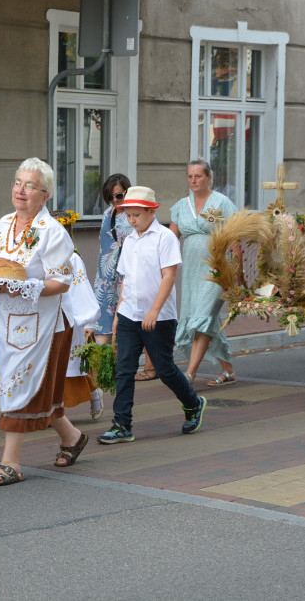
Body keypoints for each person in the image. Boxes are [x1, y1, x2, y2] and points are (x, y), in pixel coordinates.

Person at [0, 158, 88, 486]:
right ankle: (73, 437)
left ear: (45, 196)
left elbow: (62, 282)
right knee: (31, 388)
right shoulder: (3, 224)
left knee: (21, 386)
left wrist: (26, 287)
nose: (20, 190)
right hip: (9, 321)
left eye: (30, 186)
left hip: (46, 324)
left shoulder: (51, 231)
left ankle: (11, 463)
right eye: (17, 183)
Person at [97, 186, 207, 444]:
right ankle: (122, 424)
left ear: (150, 211)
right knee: (124, 369)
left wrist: (154, 311)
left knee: (164, 369)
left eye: (136, 215)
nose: (132, 220)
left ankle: (193, 403)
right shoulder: (130, 239)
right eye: (128, 215)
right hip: (128, 316)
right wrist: (117, 314)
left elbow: (169, 276)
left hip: (159, 318)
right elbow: (125, 279)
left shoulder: (165, 237)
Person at [169, 159, 238, 386]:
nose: (193, 180)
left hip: (217, 269)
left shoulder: (222, 202)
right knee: (208, 318)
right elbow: (170, 239)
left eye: (198, 176)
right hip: (191, 271)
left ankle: (189, 373)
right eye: (190, 176)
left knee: (203, 316)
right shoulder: (181, 205)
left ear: (209, 177)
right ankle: (228, 370)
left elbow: (235, 236)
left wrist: (236, 271)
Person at [93, 174, 156, 380]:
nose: (115, 201)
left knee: (136, 319)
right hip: (106, 277)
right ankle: (107, 369)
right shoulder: (107, 214)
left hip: (129, 275)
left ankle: (149, 366)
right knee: (103, 322)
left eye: (119, 196)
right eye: (110, 197)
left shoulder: (134, 217)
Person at [61, 252, 104, 420]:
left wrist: (88, 322)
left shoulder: (71, 257)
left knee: (73, 367)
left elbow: (81, 288)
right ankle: (53, 411)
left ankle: (94, 394)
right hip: (44, 319)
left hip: (70, 318)